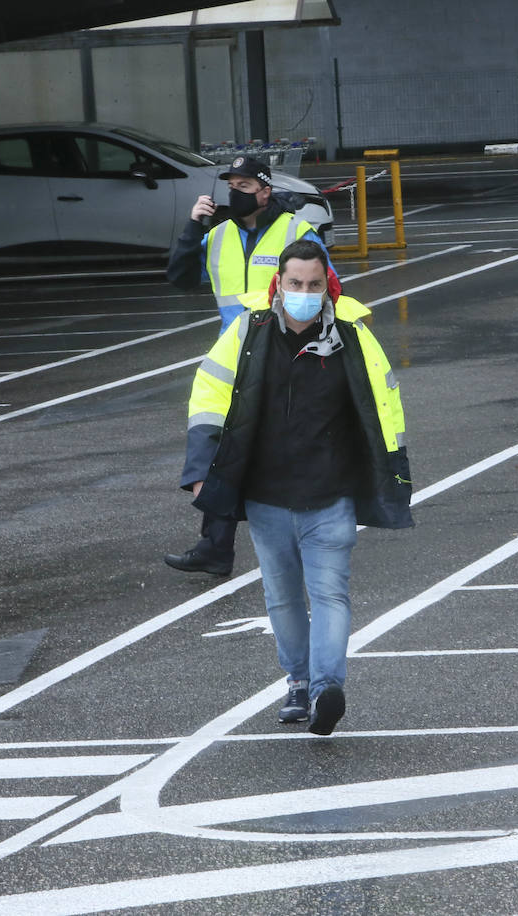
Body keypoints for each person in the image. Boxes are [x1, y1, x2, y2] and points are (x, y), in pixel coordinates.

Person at [181, 239, 412, 735]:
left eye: (313, 285)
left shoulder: (352, 334)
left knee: (329, 593)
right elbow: (210, 394)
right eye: (294, 284)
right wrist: (201, 468)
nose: (304, 293)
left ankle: (327, 687)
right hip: (267, 496)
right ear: (278, 285)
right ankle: (299, 683)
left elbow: (385, 403)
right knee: (282, 597)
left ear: (327, 286)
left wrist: (393, 470)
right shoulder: (248, 331)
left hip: (331, 496)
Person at [164, 155, 334, 577]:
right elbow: (180, 278)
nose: (234, 194)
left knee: (282, 448)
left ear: (265, 190)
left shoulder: (296, 231)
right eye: (231, 186)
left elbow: (329, 287)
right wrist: (192, 228)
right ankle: (215, 547)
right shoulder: (218, 234)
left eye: (243, 186)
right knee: (227, 447)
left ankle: (307, 534)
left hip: (285, 355)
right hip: (236, 357)